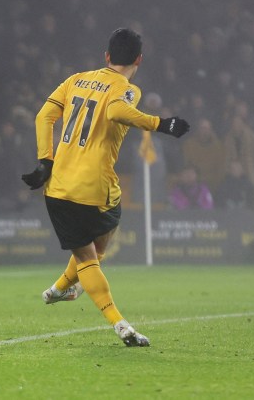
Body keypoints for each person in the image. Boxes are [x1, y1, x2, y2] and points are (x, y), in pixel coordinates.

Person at [22, 28, 190, 347]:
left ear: (107, 56)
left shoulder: (74, 80)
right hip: (95, 187)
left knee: (89, 256)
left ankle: (60, 289)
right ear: (139, 59)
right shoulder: (126, 88)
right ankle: (120, 324)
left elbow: (44, 115)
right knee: (95, 253)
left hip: (57, 188)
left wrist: (45, 161)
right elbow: (115, 111)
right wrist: (160, 124)